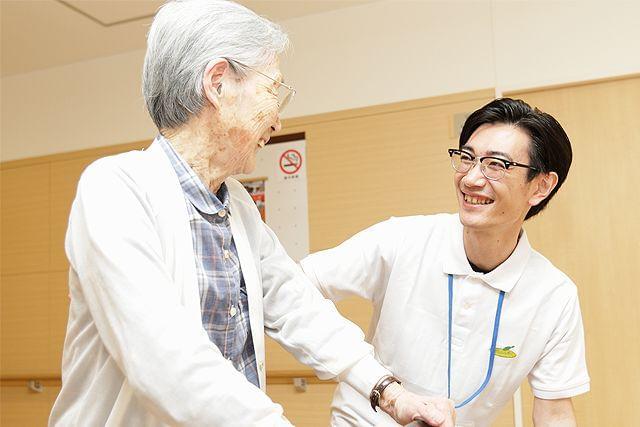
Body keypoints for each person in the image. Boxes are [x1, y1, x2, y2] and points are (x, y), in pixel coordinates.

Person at [48, 1, 459, 426]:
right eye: (271, 89)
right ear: (218, 83)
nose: (278, 120)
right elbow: (166, 359)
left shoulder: (237, 205)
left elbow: (298, 306)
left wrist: (388, 391)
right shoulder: (115, 189)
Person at [300, 98, 590, 426]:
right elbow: (294, 287)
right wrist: (356, 364)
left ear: (540, 186)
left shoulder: (555, 295)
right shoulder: (402, 239)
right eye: (466, 158)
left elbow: (554, 412)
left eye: (496, 164)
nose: (470, 179)